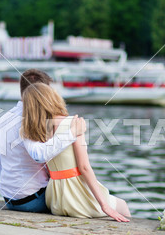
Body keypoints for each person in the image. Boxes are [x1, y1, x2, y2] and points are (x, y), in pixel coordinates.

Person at [0, 69, 86, 212]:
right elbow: (38, 155)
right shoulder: (31, 120)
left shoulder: (3, 119)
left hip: (9, 199)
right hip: (34, 200)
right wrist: (71, 133)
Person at [21, 82, 131, 222]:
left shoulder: (34, 130)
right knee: (122, 205)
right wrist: (104, 205)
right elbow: (84, 167)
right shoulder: (73, 123)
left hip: (55, 199)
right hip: (76, 196)